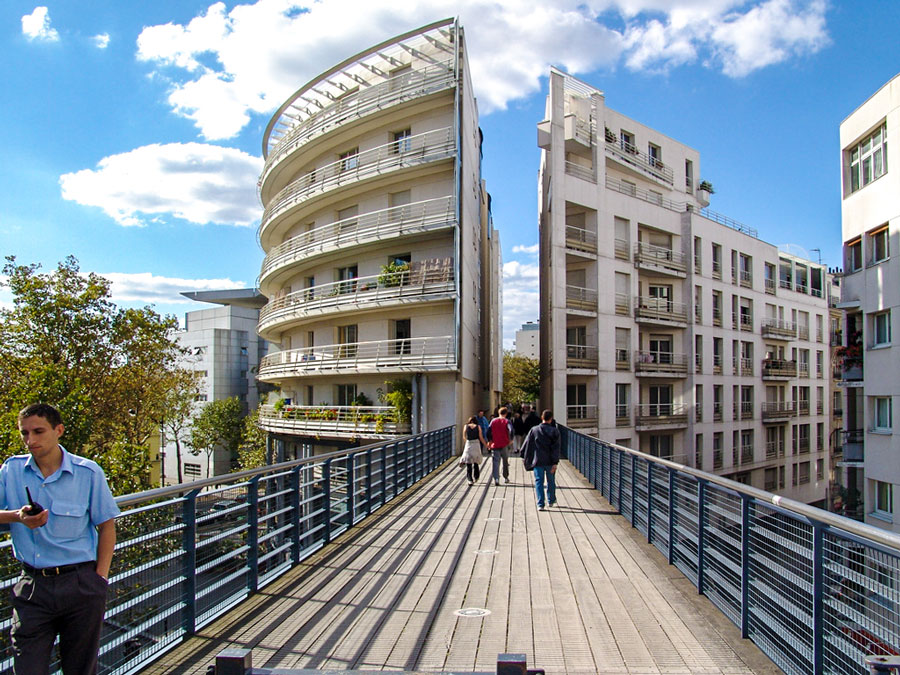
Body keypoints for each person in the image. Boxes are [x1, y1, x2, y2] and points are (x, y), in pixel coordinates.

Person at [0, 403, 120, 674]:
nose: (30, 440)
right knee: (28, 667)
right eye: (25, 433)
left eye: (38, 431)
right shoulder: (11, 471)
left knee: (79, 668)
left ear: (59, 430)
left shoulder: (87, 472)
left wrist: (100, 579)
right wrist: (17, 517)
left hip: (80, 585)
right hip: (32, 588)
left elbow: (107, 526)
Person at [521, 409, 561, 511]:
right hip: (550, 460)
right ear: (551, 419)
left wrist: (523, 456)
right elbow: (556, 448)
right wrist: (555, 462)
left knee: (539, 481)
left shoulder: (534, 430)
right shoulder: (555, 431)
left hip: (537, 460)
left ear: (542, 418)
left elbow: (527, 444)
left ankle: (540, 504)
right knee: (551, 481)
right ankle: (551, 500)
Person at [488, 406, 512, 486]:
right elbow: (511, 430)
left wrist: (490, 440)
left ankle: (496, 478)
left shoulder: (493, 421)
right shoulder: (507, 421)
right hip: (504, 443)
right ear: (506, 413)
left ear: (499, 413)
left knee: (495, 462)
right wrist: (511, 439)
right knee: (505, 461)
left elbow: (488, 431)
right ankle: (506, 477)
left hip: (495, 444)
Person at [459, 416, 486, 485]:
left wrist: (466, 442)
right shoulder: (478, 427)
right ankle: (476, 477)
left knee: (469, 462)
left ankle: (469, 479)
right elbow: (481, 437)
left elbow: (464, 436)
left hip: (469, 444)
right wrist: (486, 445)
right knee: (476, 461)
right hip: (476, 444)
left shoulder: (466, 426)